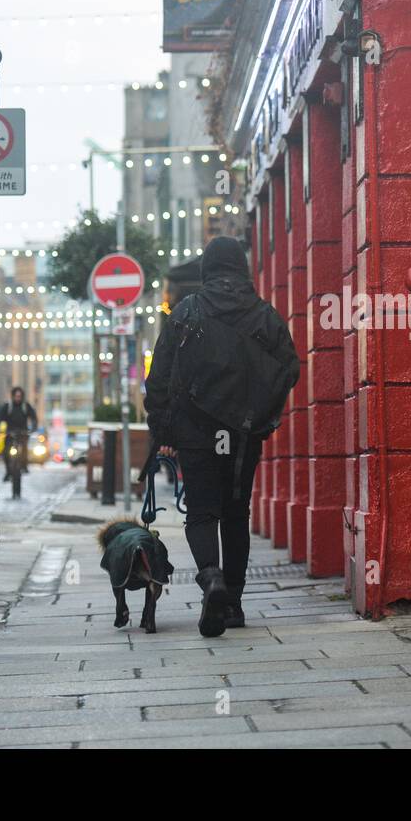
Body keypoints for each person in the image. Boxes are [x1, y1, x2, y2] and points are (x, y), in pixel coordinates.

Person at [144, 236, 299, 638]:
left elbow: (159, 375)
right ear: (241, 268)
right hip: (243, 433)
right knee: (236, 513)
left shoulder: (187, 312)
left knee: (200, 512)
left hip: (195, 432)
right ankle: (233, 602)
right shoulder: (264, 315)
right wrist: (262, 414)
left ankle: (210, 577)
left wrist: (161, 428)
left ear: (207, 270)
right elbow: (289, 368)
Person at [0, 387, 38, 483]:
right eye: (16, 396)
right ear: (13, 396)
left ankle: (24, 466)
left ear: (22, 396)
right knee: (6, 452)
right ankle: (8, 472)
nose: (18, 398)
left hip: (23, 433)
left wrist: (34, 427)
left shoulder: (26, 406)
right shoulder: (7, 406)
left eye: (19, 396)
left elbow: (33, 417)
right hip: (10, 434)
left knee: (24, 450)